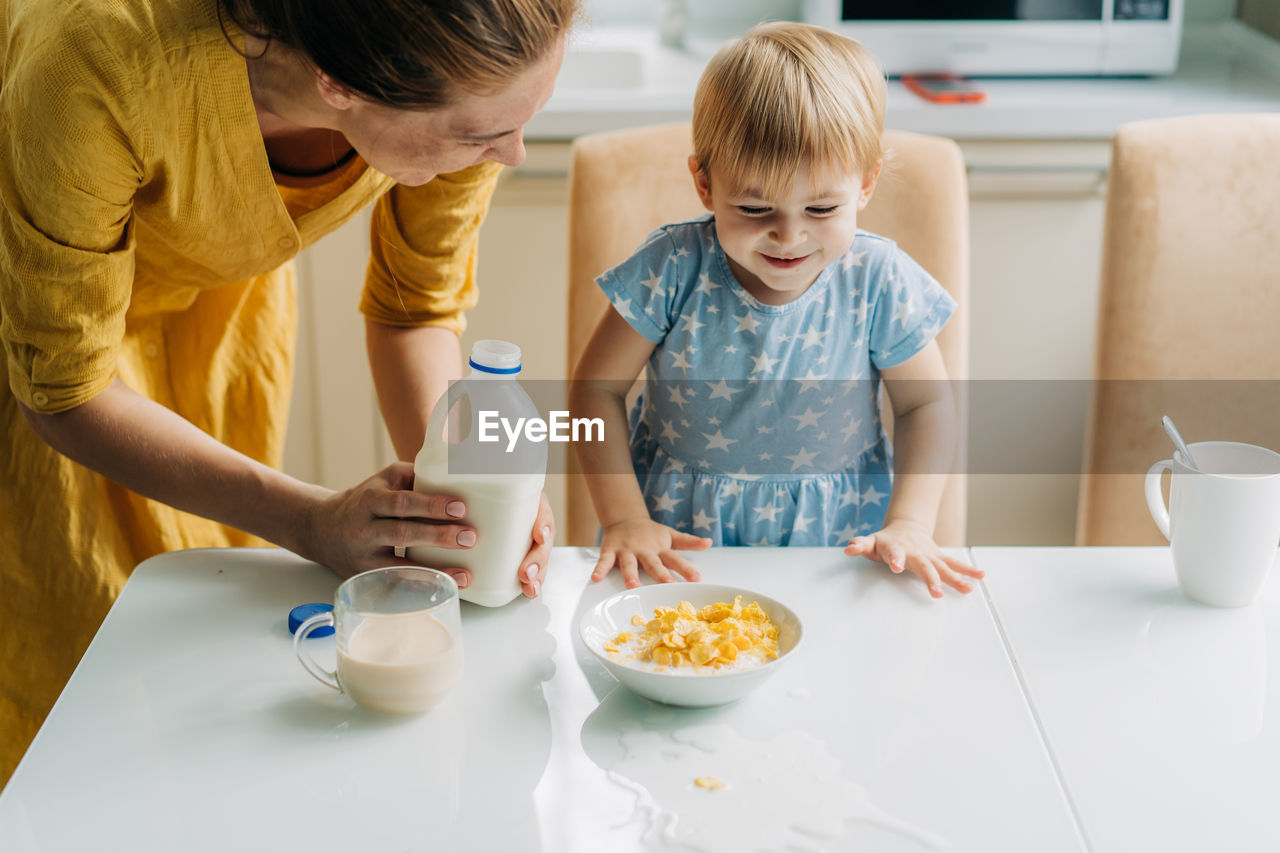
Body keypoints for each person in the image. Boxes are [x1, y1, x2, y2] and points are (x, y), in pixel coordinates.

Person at [0, 0, 577, 785]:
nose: (511, 154)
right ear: (338, 83)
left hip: (212, 309)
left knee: (203, 654)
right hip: (38, 313)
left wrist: (461, 492)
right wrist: (308, 520)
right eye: (479, 135)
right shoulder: (93, 61)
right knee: (69, 655)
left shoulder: (462, 66)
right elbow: (62, 387)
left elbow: (416, 309)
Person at [570, 22, 984, 597]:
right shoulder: (672, 266)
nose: (788, 237)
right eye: (754, 207)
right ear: (705, 184)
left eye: (821, 208)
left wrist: (911, 523)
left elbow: (927, 403)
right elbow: (594, 390)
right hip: (676, 540)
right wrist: (622, 518)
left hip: (837, 542)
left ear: (865, 185)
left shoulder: (878, 279)